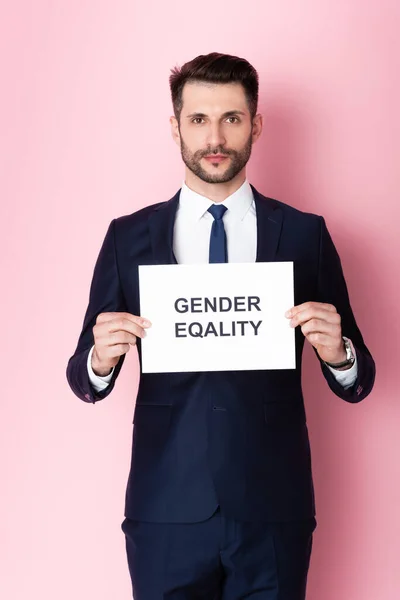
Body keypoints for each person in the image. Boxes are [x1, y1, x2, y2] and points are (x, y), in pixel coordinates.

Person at [66, 52, 376, 599]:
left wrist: (339, 354)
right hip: (165, 509)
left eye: (232, 119)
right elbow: (81, 376)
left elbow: (359, 378)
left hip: (272, 510)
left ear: (255, 125)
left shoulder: (304, 235)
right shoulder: (127, 239)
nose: (215, 137)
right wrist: (99, 360)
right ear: (175, 126)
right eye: (199, 119)